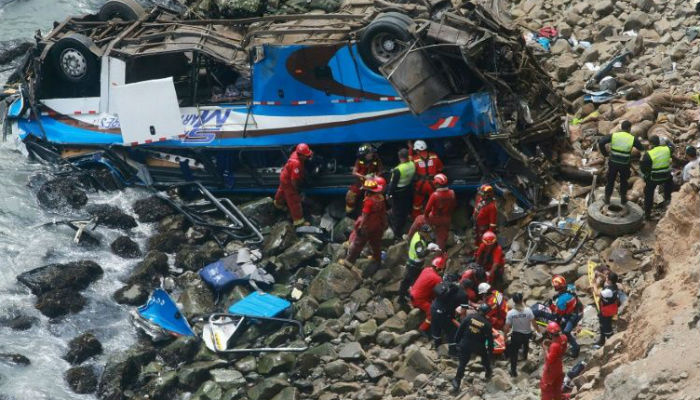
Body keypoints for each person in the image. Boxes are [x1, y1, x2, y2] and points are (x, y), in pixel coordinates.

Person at [344, 177, 388, 278]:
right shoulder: (381, 198)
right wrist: (384, 224)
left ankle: (349, 262)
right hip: (378, 227)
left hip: (368, 227)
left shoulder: (369, 201)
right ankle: (377, 259)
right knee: (376, 244)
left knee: (358, 244)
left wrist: (360, 227)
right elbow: (383, 213)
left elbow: (365, 216)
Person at [598, 120, 645, 204]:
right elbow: (642, 149)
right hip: (624, 164)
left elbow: (601, 142)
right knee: (624, 181)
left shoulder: (614, 135)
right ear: (629, 128)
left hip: (613, 163)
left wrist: (605, 154)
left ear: (621, 128)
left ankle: (607, 198)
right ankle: (623, 199)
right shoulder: (632, 138)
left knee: (610, 181)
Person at [406, 173, 455, 250]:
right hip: (447, 219)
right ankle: (439, 254)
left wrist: (426, 219)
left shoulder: (435, 195)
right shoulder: (452, 193)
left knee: (418, 219)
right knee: (441, 236)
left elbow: (427, 210)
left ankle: (408, 238)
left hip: (435, 217)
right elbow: (453, 206)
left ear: (436, 184)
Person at [452, 303, 494, 391]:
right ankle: (488, 372)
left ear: (479, 309)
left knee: (462, 364)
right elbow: (490, 340)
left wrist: (456, 342)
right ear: (487, 313)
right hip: (478, 346)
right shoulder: (487, 324)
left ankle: (457, 381)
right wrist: (490, 351)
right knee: (485, 358)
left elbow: (460, 330)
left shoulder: (469, 317)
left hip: (465, 344)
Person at [399, 224, 439, 303]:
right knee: (414, 282)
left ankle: (402, 296)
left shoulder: (417, 234)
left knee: (406, 280)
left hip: (412, 263)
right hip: (414, 265)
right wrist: (429, 249)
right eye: (427, 233)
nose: (428, 235)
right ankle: (409, 298)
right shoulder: (418, 242)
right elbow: (420, 254)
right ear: (422, 232)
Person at [274, 143, 313, 226]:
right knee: (294, 200)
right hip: (289, 181)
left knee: (282, 191)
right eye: (306, 156)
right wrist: (297, 189)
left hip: (284, 176)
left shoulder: (295, 154)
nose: (307, 157)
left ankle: (278, 203)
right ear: (301, 155)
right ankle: (298, 221)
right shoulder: (297, 164)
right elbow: (294, 180)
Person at [503, 293, 539, 377]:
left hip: (517, 336)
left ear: (514, 301)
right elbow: (534, 322)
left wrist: (505, 336)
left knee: (514, 353)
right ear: (522, 300)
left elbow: (507, 327)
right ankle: (525, 356)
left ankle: (513, 372)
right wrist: (538, 331)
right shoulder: (528, 310)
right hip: (527, 334)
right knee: (526, 344)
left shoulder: (511, 313)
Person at [548, 275, 582, 358]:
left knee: (565, 331)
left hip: (573, 316)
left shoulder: (561, 301)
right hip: (578, 310)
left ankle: (576, 348)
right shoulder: (570, 288)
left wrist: (552, 305)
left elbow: (560, 312)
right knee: (562, 326)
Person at [640, 135, 673, 220]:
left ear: (650, 144)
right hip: (666, 176)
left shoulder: (648, 154)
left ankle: (647, 214)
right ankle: (668, 199)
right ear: (659, 142)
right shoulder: (667, 149)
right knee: (670, 181)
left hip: (654, 178)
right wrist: (666, 139)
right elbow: (672, 146)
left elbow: (644, 169)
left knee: (648, 194)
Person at [410, 255, 446, 333]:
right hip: (419, 299)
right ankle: (422, 329)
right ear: (438, 268)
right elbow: (440, 293)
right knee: (433, 313)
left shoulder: (426, 269)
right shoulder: (437, 278)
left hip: (413, 293)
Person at [410, 140, 444, 218]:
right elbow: (440, 168)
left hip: (420, 185)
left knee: (417, 204)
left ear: (417, 149)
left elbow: (411, 172)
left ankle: (417, 219)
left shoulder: (414, 159)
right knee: (435, 202)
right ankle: (435, 217)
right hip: (433, 183)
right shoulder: (434, 156)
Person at [346, 143, 382, 214]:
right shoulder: (359, 160)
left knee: (377, 197)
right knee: (350, 195)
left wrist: (374, 176)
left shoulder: (376, 158)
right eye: (370, 153)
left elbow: (380, 170)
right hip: (361, 182)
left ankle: (374, 212)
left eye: (372, 152)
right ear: (365, 155)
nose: (372, 154)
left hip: (373, 182)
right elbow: (354, 172)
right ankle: (350, 210)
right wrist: (363, 176)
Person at [387, 148, 415, 235]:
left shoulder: (397, 170)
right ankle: (405, 220)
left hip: (398, 193)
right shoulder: (412, 164)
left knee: (397, 212)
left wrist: (388, 194)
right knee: (404, 208)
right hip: (407, 190)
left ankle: (397, 232)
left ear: (399, 157)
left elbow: (393, 184)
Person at [430, 273, 461, 348]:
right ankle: (453, 351)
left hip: (433, 308)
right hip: (442, 313)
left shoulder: (441, 286)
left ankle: (436, 344)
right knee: (452, 331)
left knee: (436, 327)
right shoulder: (454, 290)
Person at [540, 322, 568, 400]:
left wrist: (545, 349)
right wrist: (551, 343)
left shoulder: (554, 346)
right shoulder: (564, 338)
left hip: (551, 369)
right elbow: (562, 349)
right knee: (557, 386)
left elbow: (549, 359)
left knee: (546, 387)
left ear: (550, 333)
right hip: (559, 366)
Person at [595, 272, 621, 346]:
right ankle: (601, 341)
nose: (606, 279)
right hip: (608, 309)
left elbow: (597, 293)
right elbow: (607, 279)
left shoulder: (608, 291)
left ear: (609, 281)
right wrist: (600, 274)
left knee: (607, 328)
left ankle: (612, 343)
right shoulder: (614, 285)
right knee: (602, 325)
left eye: (607, 278)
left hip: (606, 311)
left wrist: (594, 285)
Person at [473, 184, 497, 248]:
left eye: (482, 194)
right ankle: (477, 252)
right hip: (477, 225)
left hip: (484, 228)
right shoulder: (480, 200)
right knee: (477, 240)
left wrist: (489, 234)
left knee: (483, 243)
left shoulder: (491, 207)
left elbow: (493, 223)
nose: (481, 195)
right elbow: (476, 208)